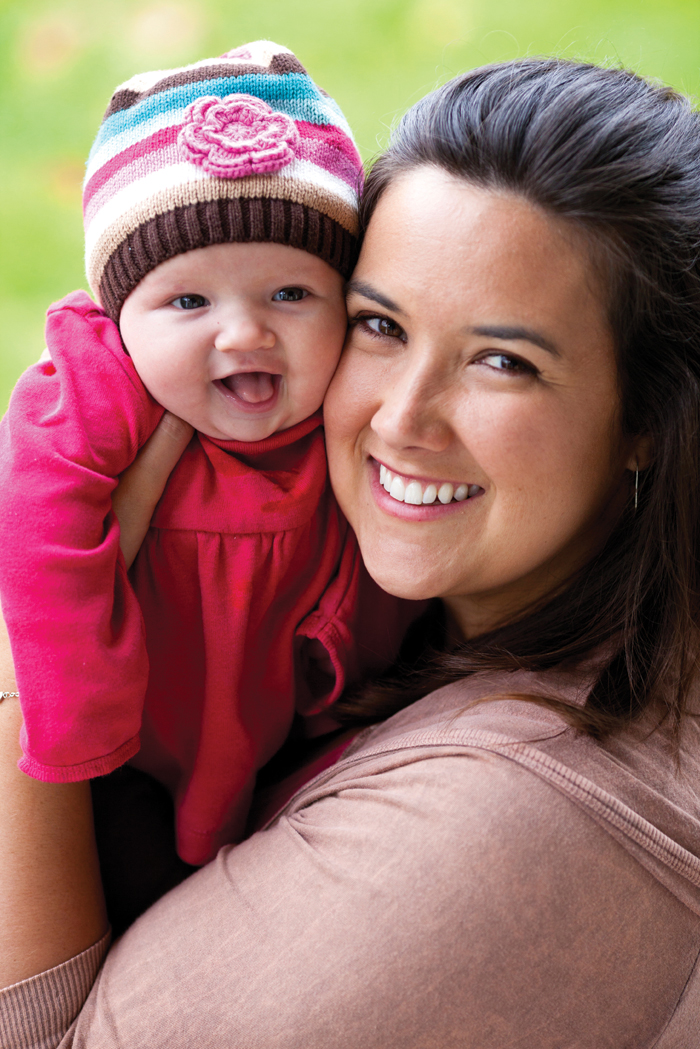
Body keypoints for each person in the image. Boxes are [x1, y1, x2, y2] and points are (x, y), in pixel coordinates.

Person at [2, 56, 700, 1047]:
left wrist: (31, 656)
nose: (400, 417)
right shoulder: (474, 606)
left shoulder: (514, 814)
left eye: (502, 360)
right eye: (379, 324)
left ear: (645, 416)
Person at [0, 39, 415, 871]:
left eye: (291, 294)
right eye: (188, 300)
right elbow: (34, 511)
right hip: (118, 748)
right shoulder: (104, 379)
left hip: (277, 738)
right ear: (120, 315)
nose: (244, 331)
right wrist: (83, 717)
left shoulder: (349, 397)